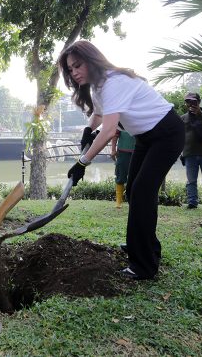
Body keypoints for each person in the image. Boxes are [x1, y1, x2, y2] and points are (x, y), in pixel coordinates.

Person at [59, 40, 184, 281]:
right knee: (133, 192)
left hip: (167, 134)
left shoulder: (113, 82)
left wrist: (82, 162)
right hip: (146, 138)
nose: (74, 73)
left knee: (142, 192)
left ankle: (144, 266)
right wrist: (87, 130)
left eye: (77, 66)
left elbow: (107, 131)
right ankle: (142, 245)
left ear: (91, 60)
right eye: (70, 70)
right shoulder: (98, 86)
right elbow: (98, 114)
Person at [110, 129, 135, 208]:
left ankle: (134, 200)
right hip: (122, 152)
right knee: (120, 176)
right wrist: (113, 150)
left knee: (137, 177)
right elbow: (115, 135)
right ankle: (119, 201)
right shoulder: (121, 119)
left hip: (139, 151)